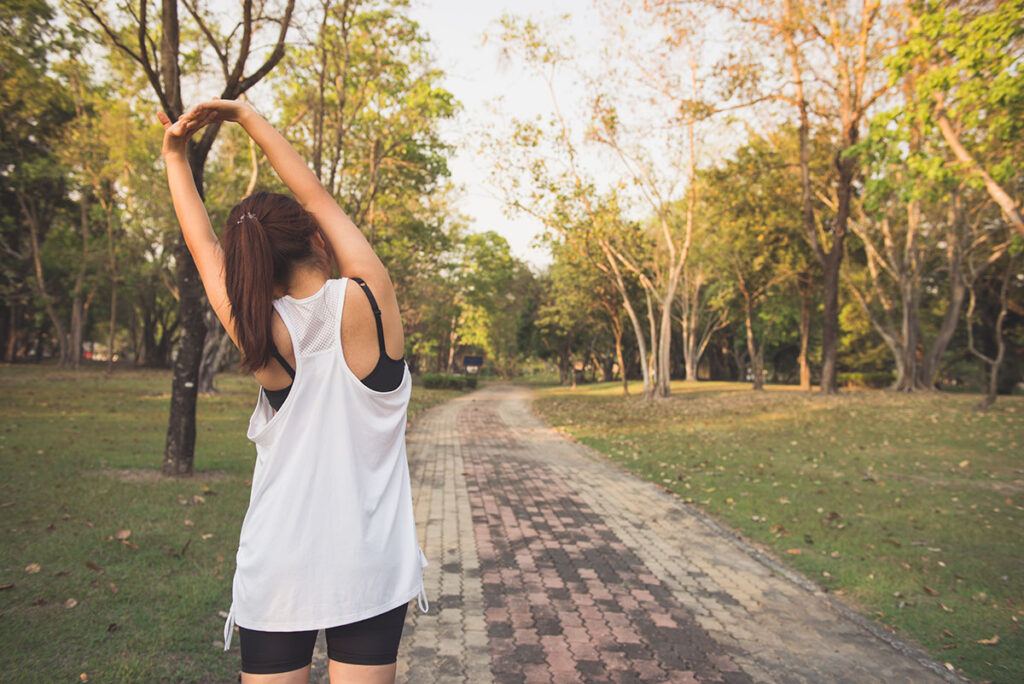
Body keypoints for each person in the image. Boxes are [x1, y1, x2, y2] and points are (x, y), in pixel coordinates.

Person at [158, 99, 428, 684]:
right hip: (370, 566)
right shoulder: (371, 300)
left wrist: (175, 155)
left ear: (253, 264)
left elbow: (205, 249)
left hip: (277, 567)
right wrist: (245, 115)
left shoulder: (257, 327)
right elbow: (317, 198)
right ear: (313, 236)